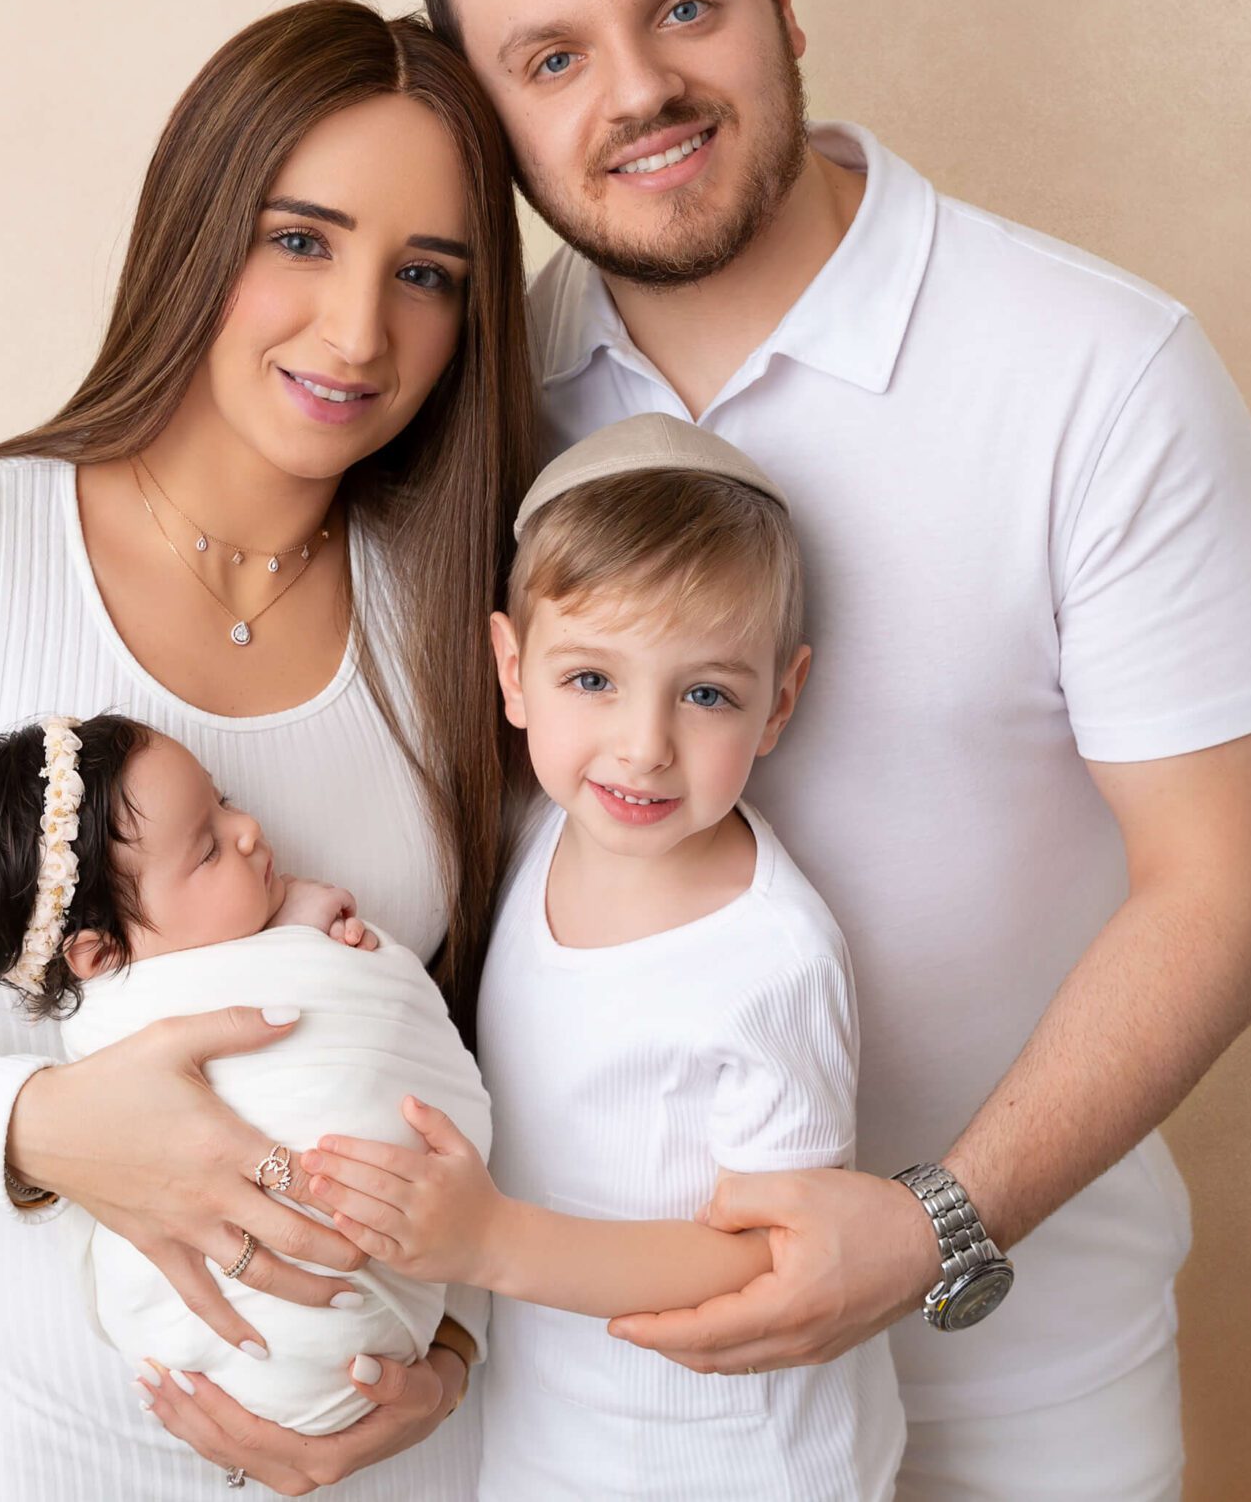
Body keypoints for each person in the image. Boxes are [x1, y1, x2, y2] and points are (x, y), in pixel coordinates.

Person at [415, 0, 1251, 1499]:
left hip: (1016, 1362)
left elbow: (1225, 891)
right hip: (594, 1396)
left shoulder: (1098, 375)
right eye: (550, 60)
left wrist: (935, 1223)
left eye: (685, 5)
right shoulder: (483, 411)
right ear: (495, 124)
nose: (639, 90)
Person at [0, 0, 540, 1499]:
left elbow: (498, 1058)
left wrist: (456, 1356)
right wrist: (25, 1122)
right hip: (36, 1454)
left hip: (395, 1465)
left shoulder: (464, 622)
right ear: (195, 228)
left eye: (425, 275)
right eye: (302, 239)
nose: (361, 332)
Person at [296, 414, 906, 1499]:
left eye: (706, 693)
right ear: (512, 669)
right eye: (592, 681)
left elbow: (780, 1265)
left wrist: (493, 1244)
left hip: (734, 1459)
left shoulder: (769, 960)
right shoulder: (533, 834)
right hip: (558, 1436)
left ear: (781, 700)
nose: (642, 744)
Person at [0, 712, 491, 1437]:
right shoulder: (111, 1040)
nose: (248, 828)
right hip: (63, 1411)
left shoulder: (239, 942)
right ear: (100, 958)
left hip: (404, 1368)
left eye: (223, 802)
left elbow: (363, 1064)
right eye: (208, 849)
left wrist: (303, 930)